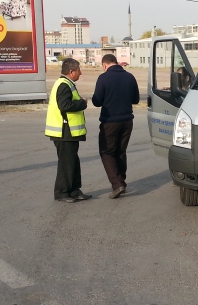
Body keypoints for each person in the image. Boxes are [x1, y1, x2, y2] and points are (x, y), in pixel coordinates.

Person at [91, 54, 140, 198]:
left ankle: (117, 184)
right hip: (127, 121)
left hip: (110, 122)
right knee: (120, 151)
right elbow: (136, 99)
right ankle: (121, 181)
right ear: (116, 63)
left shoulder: (103, 78)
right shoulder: (130, 77)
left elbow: (97, 101)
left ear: (104, 65)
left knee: (107, 152)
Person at [45, 58, 91, 203]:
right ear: (71, 72)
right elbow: (65, 105)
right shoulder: (63, 85)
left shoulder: (67, 83)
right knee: (66, 163)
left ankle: (74, 190)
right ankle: (61, 192)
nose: (80, 73)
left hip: (69, 132)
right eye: (79, 70)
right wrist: (82, 103)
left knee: (72, 162)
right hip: (63, 132)